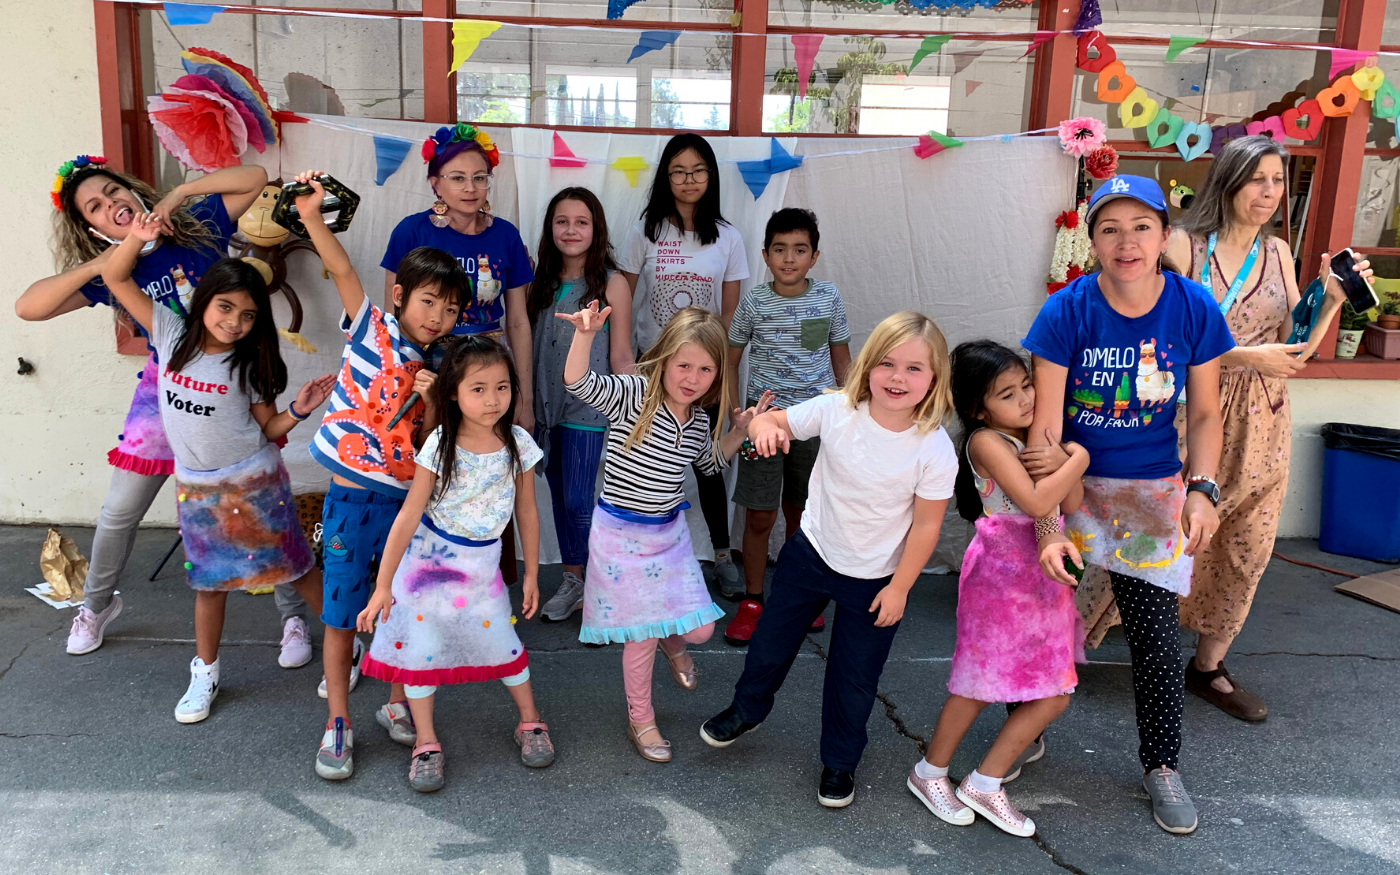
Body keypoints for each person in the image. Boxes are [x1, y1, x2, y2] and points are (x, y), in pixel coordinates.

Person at [18, 157, 315, 666]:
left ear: (132, 190)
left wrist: (177, 197)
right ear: (90, 226)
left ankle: (292, 617)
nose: (112, 204)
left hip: (232, 382)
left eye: (114, 192)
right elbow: (29, 307)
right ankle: (95, 605)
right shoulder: (116, 269)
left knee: (260, 502)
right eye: (96, 206)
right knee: (118, 510)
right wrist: (108, 258)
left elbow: (255, 175)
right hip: (166, 392)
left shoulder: (195, 232)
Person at [1026, 175, 1233, 835]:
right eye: (1110, 228)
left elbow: (1203, 413)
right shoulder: (1067, 310)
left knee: (1152, 635)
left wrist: (1203, 487)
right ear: (1092, 241)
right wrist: (1047, 522)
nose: (1127, 242)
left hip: (1149, 497)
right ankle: (1020, 727)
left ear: (1165, 235)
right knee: (1040, 616)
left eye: (1142, 226)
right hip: (1072, 485)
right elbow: (1045, 429)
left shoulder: (1193, 307)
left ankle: (1162, 763)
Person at [700, 311, 957, 810]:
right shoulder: (836, 408)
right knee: (770, 645)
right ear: (866, 365)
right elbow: (773, 421)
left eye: (914, 369)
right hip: (811, 554)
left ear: (934, 379)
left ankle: (840, 761)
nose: (897, 378)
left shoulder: (934, 448)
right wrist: (763, 428)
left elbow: (927, 526)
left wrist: (901, 587)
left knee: (853, 676)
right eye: (886, 363)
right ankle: (746, 709)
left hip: (877, 578)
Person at [1164, 136, 1368, 722]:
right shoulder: (1184, 245)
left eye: (1277, 182)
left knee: (1245, 544)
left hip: (1264, 419)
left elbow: (1296, 349)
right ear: (1228, 182)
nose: (1269, 193)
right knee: (1159, 532)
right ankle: (1072, 646)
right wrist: (1248, 357)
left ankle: (1207, 666)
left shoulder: (1278, 252)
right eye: (1257, 179)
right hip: (1190, 410)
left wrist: (1330, 299)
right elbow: (1166, 336)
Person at [98, 215, 330, 724]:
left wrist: (301, 409)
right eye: (225, 307)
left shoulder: (251, 364)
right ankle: (204, 673)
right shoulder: (170, 330)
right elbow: (116, 278)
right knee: (208, 585)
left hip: (256, 486)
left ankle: (344, 648)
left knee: (296, 570)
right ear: (204, 301)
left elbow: (268, 429)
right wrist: (137, 237)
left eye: (248, 316)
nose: (234, 322)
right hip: (198, 491)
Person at [293, 172, 469, 778]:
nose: (438, 316)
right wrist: (315, 217)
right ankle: (337, 723)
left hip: (406, 509)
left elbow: (435, 448)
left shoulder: (445, 370)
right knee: (341, 616)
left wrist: (438, 401)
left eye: (450, 310)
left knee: (397, 612)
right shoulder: (372, 328)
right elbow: (341, 269)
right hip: (349, 502)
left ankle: (396, 705)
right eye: (429, 302)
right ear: (399, 297)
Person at [560, 304, 766, 763]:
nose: (692, 377)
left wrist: (738, 432)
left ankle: (673, 646)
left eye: (705, 369)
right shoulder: (633, 395)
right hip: (619, 538)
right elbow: (578, 382)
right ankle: (641, 720)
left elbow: (711, 464)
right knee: (640, 637)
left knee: (700, 630)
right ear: (666, 358)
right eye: (684, 365)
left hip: (668, 539)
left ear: (718, 375)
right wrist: (585, 335)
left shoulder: (695, 422)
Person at [357, 337, 554, 793]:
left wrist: (529, 574)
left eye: (502, 388)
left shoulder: (518, 442)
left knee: (504, 644)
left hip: (484, 567)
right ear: (453, 393)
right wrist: (383, 585)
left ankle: (530, 721)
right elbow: (408, 516)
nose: (492, 400)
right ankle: (425, 742)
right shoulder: (440, 442)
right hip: (428, 565)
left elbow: (526, 509)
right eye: (479, 388)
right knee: (422, 651)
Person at [909, 340, 1087, 837]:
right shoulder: (987, 442)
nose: (1026, 398)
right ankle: (929, 773)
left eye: (1027, 385)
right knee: (978, 685)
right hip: (1001, 577)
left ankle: (984, 783)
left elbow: (1068, 498)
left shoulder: (1029, 436)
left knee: (1052, 692)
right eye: (1008, 394)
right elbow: (1035, 502)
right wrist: (1080, 455)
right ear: (977, 408)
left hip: (1044, 581)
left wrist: (1060, 458)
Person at [383, 123, 535, 587]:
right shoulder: (410, 231)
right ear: (435, 182)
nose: (470, 188)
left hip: (487, 372)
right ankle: (407, 580)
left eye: (479, 177)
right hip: (427, 369)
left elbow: (518, 321)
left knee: (487, 471)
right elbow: (391, 316)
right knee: (421, 468)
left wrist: (523, 398)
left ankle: (489, 582)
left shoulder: (506, 236)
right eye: (457, 177)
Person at [618, 134, 749, 592]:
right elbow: (623, 296)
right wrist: (625, 361)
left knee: (708, 465)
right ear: (665, 177)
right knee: (644, 462)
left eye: (697, 171)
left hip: (706, 372)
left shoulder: (729, 237)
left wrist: (725, 379)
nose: (688, 180)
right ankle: (637, 552)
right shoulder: (646, 232)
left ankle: (720, 554)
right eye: (678, 171)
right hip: (653, 369)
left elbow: (732, 316)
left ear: (710, 176)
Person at [723, 207, 851, 644]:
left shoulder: (829, 298)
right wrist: (733, 419)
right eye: (780, 249)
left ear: (814, 256)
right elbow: (730, 362)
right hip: (762, 426)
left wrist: (855, 417)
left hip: (814, 425)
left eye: (800, 249)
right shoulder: (754, 302)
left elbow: (842, 362)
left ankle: (798, 596)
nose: (789, 258)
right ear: (765, 255)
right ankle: (753, 599)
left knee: (804, 512)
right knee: (760, 514)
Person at [526, 187, 635, 624]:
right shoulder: (537, 282)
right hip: (543, 407)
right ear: (550, 228)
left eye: (581, 222)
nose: (571, 230)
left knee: (578, 500)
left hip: (589, 409)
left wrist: (631, 411)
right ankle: (574, 580)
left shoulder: (612, 282)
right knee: (556, 497)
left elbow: (622, 353)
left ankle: (607, 582)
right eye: (562, 221)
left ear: (597, 229)